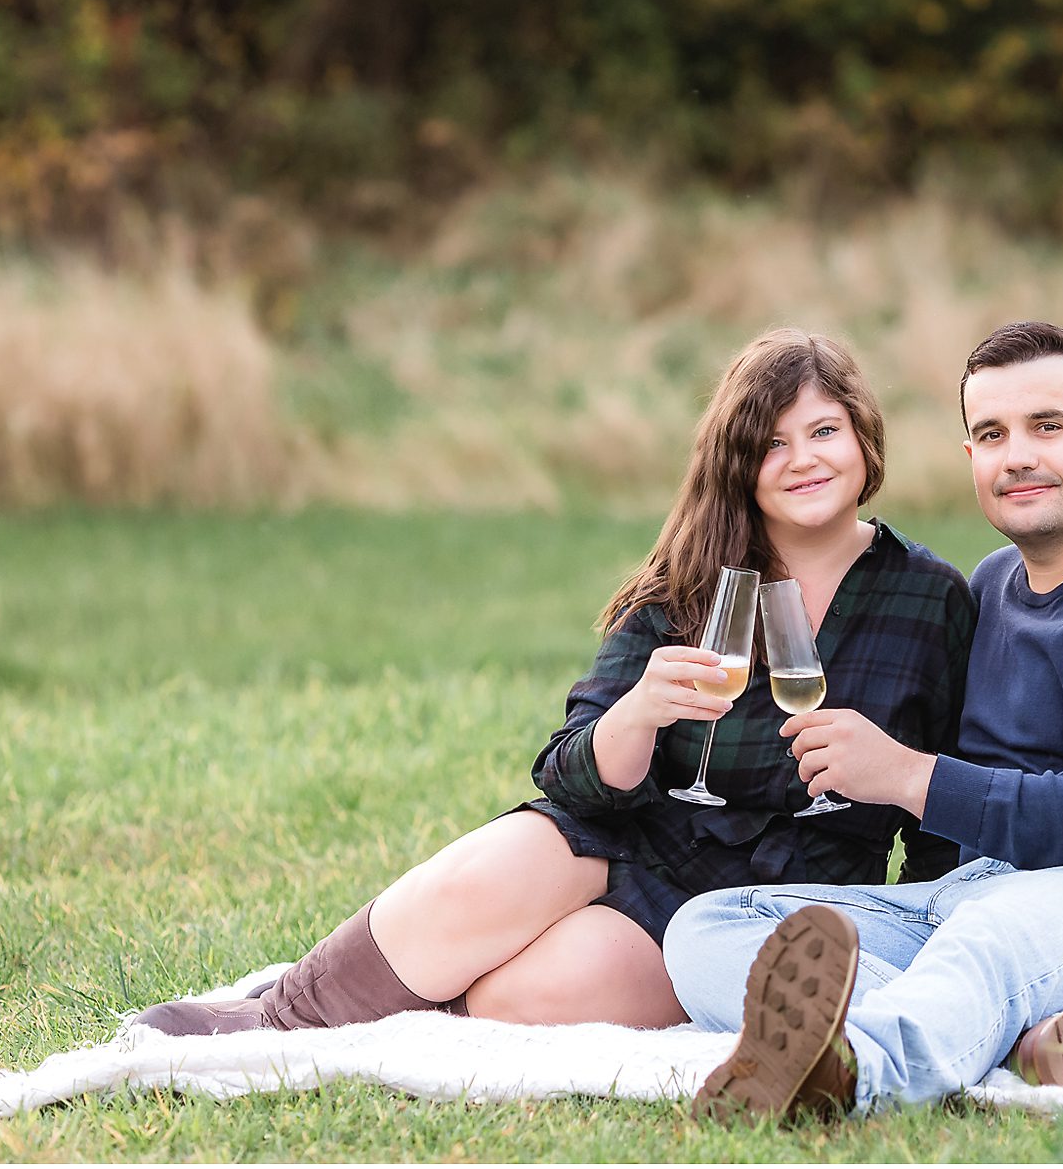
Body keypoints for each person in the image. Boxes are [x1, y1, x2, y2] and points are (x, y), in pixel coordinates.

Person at [133, 330, 976, 1036]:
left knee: (517, 998)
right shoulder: (689, 581)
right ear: (739, 465)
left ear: (863, 438)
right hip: (641, 836)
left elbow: (940, 811)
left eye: (824, 432)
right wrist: (642, 710)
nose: (803, 460)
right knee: (483, 876)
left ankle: (414, 1008)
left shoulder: (931, 596)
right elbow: (566, 766)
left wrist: (919, 933)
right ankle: (279, 1022)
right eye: (773, 443)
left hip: (769, 899)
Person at [663, 320, 1063, 1118]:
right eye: (991, 433)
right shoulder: (994, 585)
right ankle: (1016, 1033)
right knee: (713, 925)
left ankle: (848, 1076)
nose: (1018, 454)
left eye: (1047, 426)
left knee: (997, 942)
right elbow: (963, 833)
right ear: (971, 457)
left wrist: (908, 775)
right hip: (983, 896)